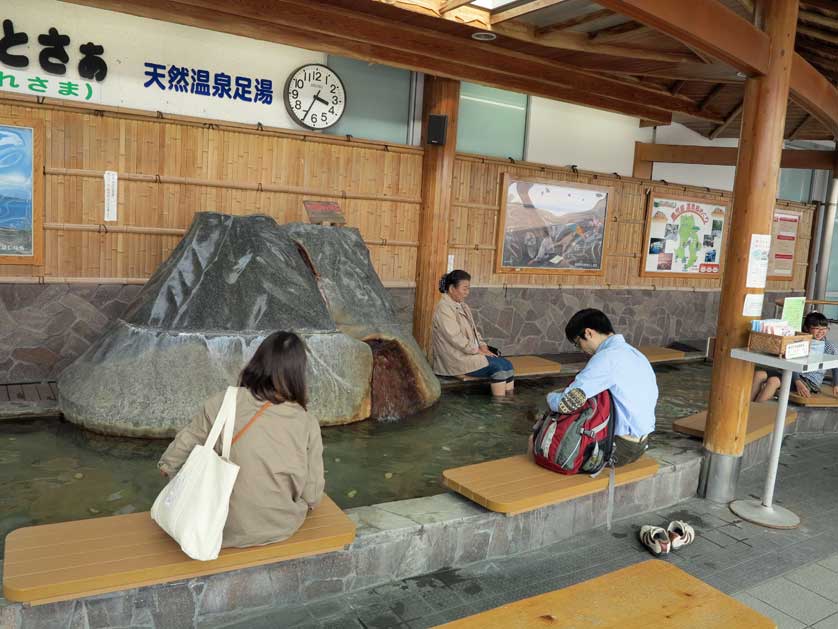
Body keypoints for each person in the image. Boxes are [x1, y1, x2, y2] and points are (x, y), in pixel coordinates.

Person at [157, 331, 325, 548]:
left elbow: (184, 445)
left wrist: (168, 466)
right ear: (298, 375)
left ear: (258, 362)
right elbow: (312, 495)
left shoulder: (223, 402)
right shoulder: (307, 422)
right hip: (280, 526)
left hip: (219, 526)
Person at [538, 308, 658, 466]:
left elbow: (565, 403)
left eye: (577, 343)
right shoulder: (636, 355)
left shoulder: (606, 358)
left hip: (617, 448)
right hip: (641, 444)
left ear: (588, 333)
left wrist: (549, 397)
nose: (581, 350)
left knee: (537, 438)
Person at [432, 269, 515, 397]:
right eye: (464, 289)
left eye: (468, 289)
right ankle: (500, 407)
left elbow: (475, 331)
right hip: (455, 358)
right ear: (451, 288)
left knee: (507, 365)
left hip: (470, 352)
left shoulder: (463, 305)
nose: (467, 293)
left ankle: (509, 402)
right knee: (498, 368)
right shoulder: (444, 308)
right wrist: (477, 351)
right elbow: (455, 338)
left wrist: (483, 347)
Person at [752, 311, 838, 402]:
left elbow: (836, 366)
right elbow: (792, 362)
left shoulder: (828, 346)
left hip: (809, 380)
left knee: (773, 381)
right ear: (806, 328)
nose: (821, 332)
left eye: (824, 328)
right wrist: (797, 380)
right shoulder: (800, 340)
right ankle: (745, 407)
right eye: (817, 328)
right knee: (759, 374)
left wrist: (836, 384)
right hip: (792, 373)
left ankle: (756, 411)